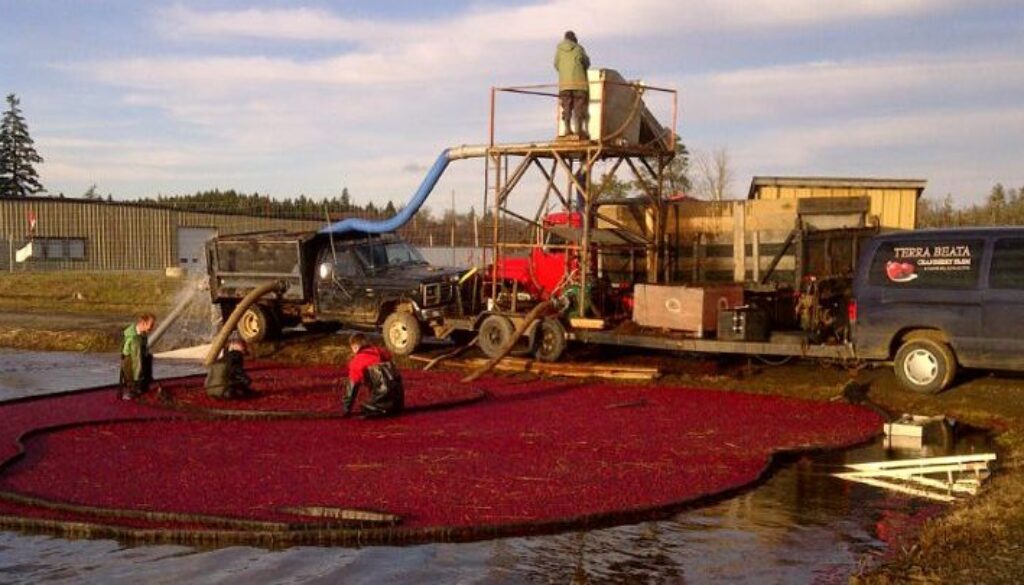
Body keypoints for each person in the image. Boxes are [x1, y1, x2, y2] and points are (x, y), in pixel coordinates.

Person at [342, 333, 404, 418]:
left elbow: (352, 388)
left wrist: (346, 409)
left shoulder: (357, 361)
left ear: (355, 347)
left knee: (364, 407)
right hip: (398, 402)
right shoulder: (382, 352)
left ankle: (380, 408)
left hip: (380, 403)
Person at [553, 30, 591, 139]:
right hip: (579, 83)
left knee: (566, 106)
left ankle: (567, 129)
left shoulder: (559, 49)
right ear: (574, 39)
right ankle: (579, 130)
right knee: (578, 106)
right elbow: (587, 63)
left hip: (564, 84)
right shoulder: (579, 48)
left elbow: (556, 64)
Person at [119, 313, 156, 400]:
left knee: (148, 356)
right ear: (143, 323)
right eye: (151, 325)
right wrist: (137, 378)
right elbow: (137, 361)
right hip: (130, 361)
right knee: (134, 378)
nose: (153, 327)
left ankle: (140, 385)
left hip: (132, 358)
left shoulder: (140, 332)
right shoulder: (136, 339)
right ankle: (133, 390)